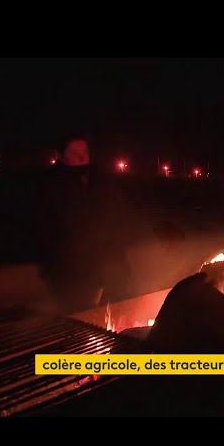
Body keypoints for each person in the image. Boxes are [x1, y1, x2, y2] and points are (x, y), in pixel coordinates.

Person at [35, 133, 134, 314]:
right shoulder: (51, 185)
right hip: (70, 270)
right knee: (78, 316)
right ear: (60, 155)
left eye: (85, 151)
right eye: (74, 153)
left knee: (110, 313)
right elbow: (46, 227)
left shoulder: (100, 181)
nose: (82, 157)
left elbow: (116, 216)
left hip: (105, 263)